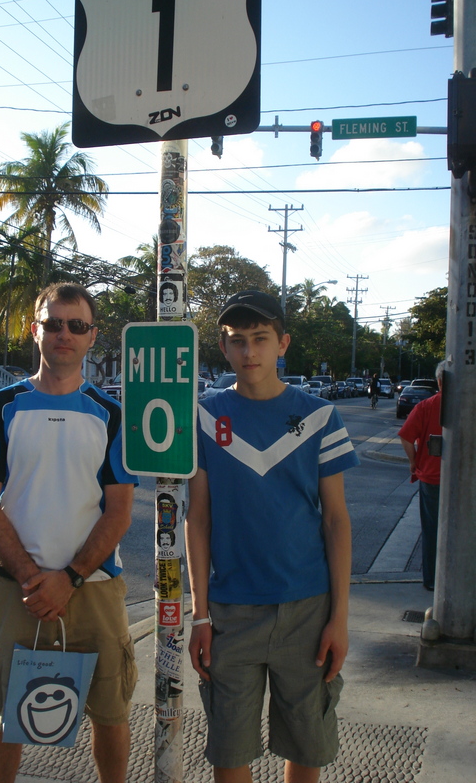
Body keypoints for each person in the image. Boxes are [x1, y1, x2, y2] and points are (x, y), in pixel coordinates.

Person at [0, 283, 139, 783]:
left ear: (92, 337)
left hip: (97, 589)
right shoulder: (1, 406)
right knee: (5, 715)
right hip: (17, 592)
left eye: (77, 325)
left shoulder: (112, 415)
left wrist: (72, 577)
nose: (65, 333)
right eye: (54, 323)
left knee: (110, 713)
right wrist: (31, 577)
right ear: (34, 329)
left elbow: (119, 510)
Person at [185, 290, 359, 783]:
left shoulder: (322, 418)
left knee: (307, 746)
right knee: (229, 751)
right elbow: (198, 520)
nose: (249, 352)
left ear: (282, 343)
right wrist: (200, 616)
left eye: (260, 339)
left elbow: (336, 521)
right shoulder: (203, 416)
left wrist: (340, 619)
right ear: (223, 346)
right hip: (231, 613)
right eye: (238, 341)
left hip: (308, 608)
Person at [398, 361, 444, 591]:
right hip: (464, 482)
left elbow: (406, 436)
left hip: (432, 477)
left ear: (439, 381)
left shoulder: (427, 406)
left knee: (432, 531)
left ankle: (433, 580)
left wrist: (414, 461)